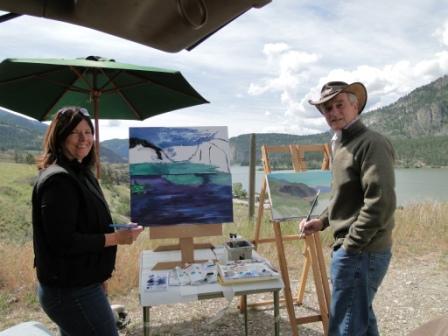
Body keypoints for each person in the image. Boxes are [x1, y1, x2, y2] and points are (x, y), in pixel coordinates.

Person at [32, 106, 144, 336]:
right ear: (60, 136)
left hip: (81, 285)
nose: (84, 139)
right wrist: (117, 238)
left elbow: (87, 225)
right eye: (75, 132)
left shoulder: (80, 172)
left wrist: (98, 277)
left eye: (88, 132)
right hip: (70, 291)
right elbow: (63, 242)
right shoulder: (59, 180)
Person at [299, 81, 396, 335]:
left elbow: (380, 202)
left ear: (355, 105)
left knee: (345, 327)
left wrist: (351, 245)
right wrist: (321, 222)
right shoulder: (342, 144)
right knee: (361, 320)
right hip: (357, 251)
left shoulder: (370, 143)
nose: (332, 113)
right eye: (327, 109)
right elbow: (345, 198)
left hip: (362, 251)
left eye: (338, 105)